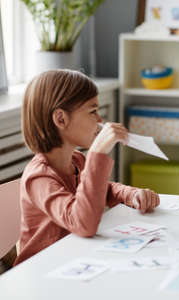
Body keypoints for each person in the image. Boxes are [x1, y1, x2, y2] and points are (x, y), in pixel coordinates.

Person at [15, 70, 160, 265]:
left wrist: (131, 194)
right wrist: (97, 154)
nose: (100, 120)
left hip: (73, 259)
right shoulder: (39, 177)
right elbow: (82, 224)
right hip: (42, 271)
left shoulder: (76, 161)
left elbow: (103, 189)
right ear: (60, 119)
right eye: (93, 111)